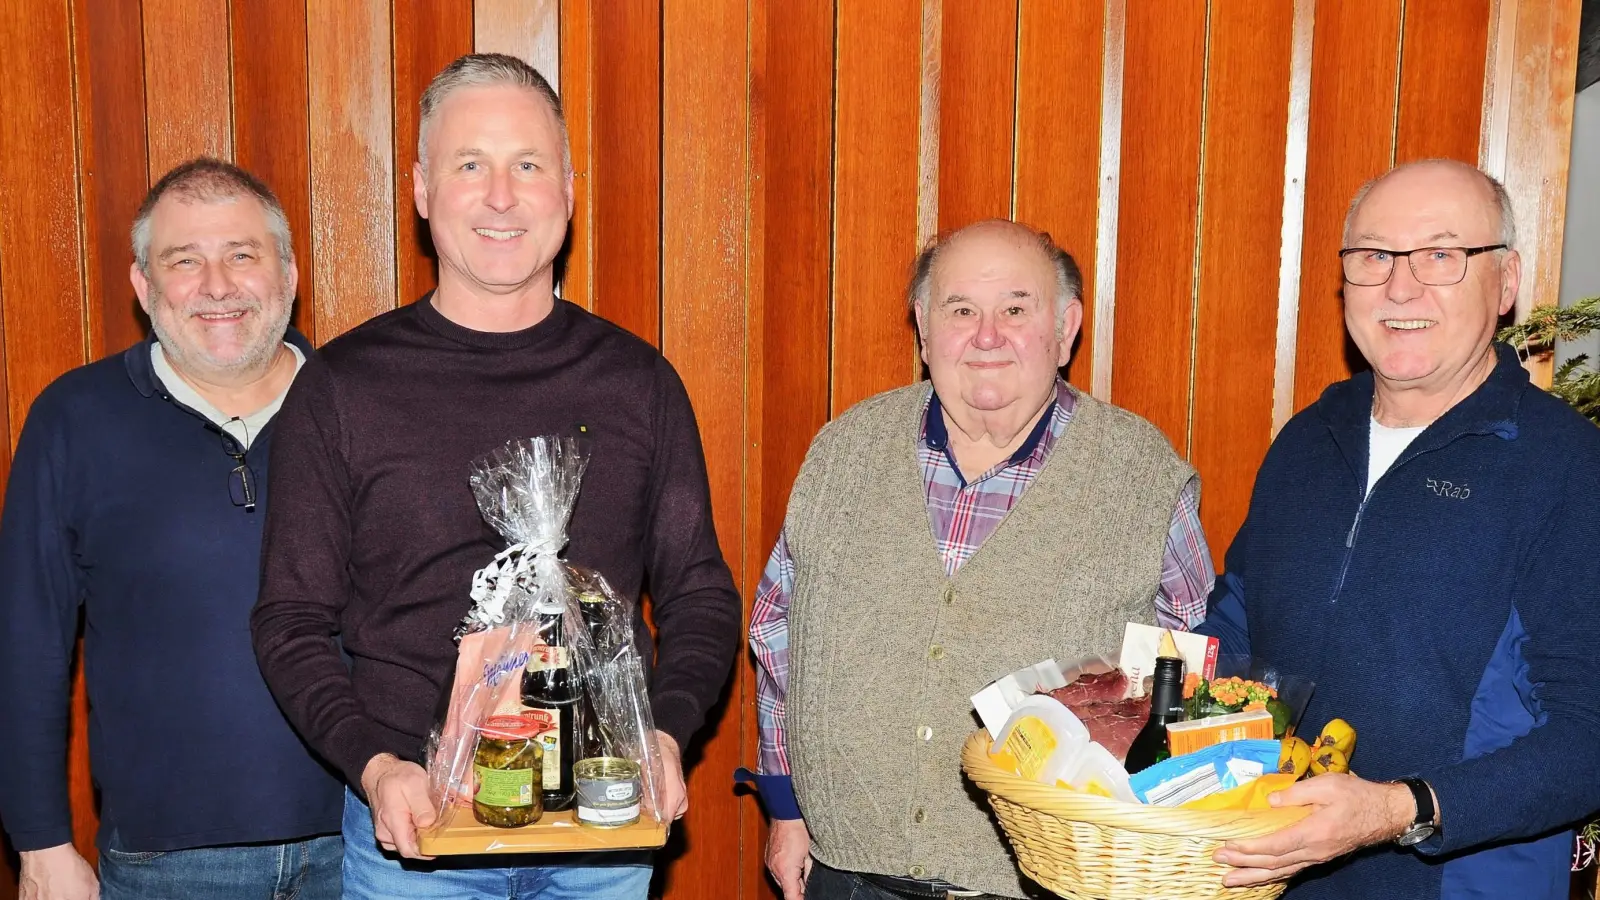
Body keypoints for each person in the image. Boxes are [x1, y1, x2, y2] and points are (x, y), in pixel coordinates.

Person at [250, 53, 741, 900]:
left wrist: (665, 732)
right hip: (416, 835)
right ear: (421, 189)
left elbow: (700, 592)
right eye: (469, 164)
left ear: (569, 188)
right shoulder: (341, 388)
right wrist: (374, 766)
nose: (501, 196)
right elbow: (290, 621)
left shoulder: (639, 383)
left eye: (528, 164)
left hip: (603, 826)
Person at [749, 219, 1216, 900]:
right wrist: (786, 809)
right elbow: (774, 632)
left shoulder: (1141, 477)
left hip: (1050, 884)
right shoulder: (842, 453)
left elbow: (1189, 678)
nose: (987, 335)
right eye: (960, 309)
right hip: (849, 871)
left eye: (1016, 310)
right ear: (922, 326)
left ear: (1065, 330)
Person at [1197, 159, 1600, 899]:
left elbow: (1587, 737)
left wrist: (1395, 810)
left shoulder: (1571, 468)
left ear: (1506, 283)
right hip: (1263, 876)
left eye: (1443, 255)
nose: (1400, 285)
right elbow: (1235, 633)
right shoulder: (1305, 442)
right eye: (1374, 255)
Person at [0, 159, 342, 900]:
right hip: (169, 867)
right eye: (184, 261)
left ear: (287, 274)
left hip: (371, 846)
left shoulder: (360, 405)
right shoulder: (75, 420)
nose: (217, 286)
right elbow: (27, 642)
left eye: (242, 255)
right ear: (144, 287)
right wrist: (40, 844)